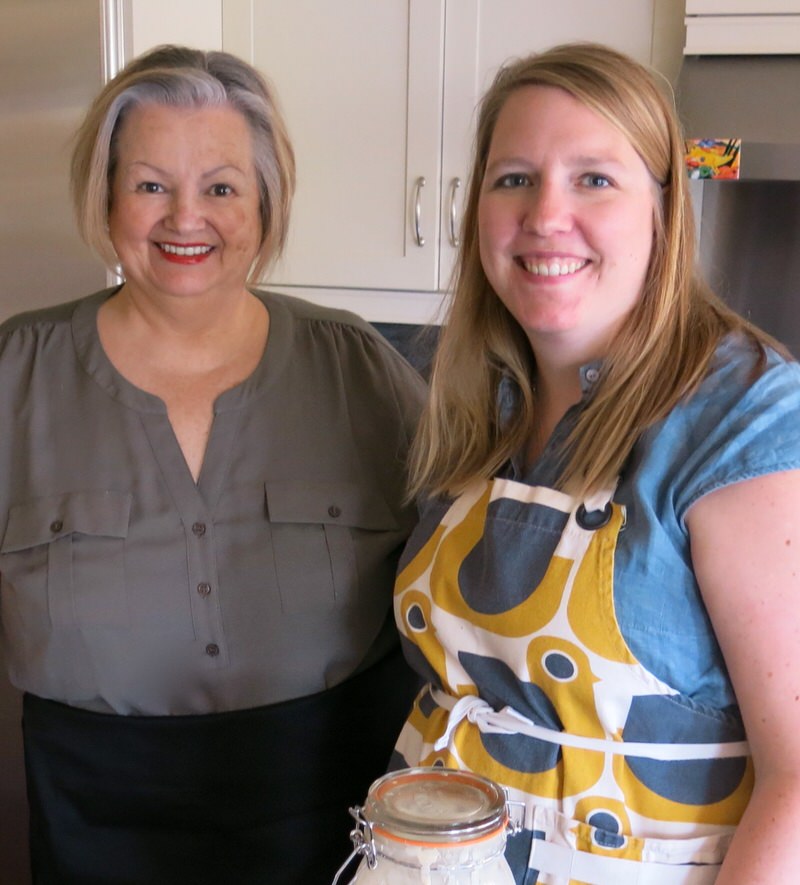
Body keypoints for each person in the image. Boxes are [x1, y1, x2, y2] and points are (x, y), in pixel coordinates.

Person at [0, 45, 426, 883]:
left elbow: (472, 570)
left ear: (266, 202)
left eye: (221, 188)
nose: (185, 218)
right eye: (150, 185)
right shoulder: (17, 373)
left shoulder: (358, 369)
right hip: (91, 825)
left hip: (339, 821)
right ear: (106, 198)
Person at [389, 42, 800, 885]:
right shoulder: (478, 401)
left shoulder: (741, 417)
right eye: (514, 178)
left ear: (662, 210)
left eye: (594, 179)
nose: (545, 215)